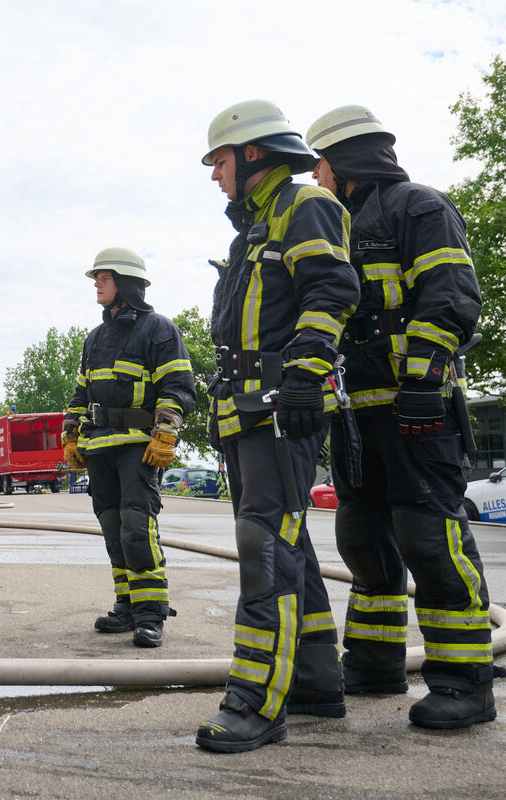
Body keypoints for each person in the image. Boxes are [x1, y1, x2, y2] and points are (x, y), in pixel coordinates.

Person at [305, 105, 496, 729]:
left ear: (344, 160)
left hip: (417, 411)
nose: (314, 176)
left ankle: (465, 684)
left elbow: (452, 297)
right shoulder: (335, 224)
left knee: (429, 541)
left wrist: (423, 378)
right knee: (362, 543)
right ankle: (375, 663)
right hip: (356, 418)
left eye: (319, 164)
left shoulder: (419, 207)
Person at [195, 100, 360, 752]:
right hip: (247, 411)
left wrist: (302, 375)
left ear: (252, 155)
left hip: (278, 409)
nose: (213, 175)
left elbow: (331, 291)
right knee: (287, 546)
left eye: (218, 161)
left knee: (263, 548)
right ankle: (316, 683)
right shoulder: (253, 231)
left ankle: (256, 701)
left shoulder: (303, 208)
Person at [62, 248, 196, 648]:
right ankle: (127, 605)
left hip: (139, 447)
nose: (96, 285)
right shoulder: (96, 338)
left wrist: (167, 431)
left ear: (126, 283)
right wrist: (71, 432)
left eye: (103, 277)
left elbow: (177, 387)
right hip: (99, 448)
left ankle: (151, 613)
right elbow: (81, 393)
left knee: (137, 529)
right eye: (96, 278)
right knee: (113, 530)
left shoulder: (159, 330)